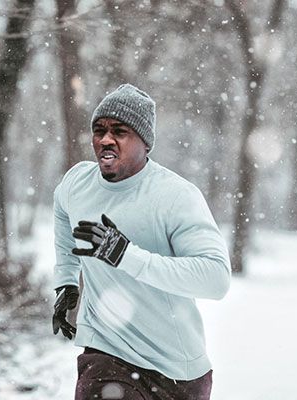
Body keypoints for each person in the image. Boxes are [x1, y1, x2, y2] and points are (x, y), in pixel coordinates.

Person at [52, 83, 231, 400]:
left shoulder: (174, 196)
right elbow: (64, 215)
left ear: (145, 142)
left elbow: (215, 279)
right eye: (99, 130)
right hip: (106, 352)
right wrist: (67, 280)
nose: (106, 139)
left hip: (176, 371)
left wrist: (126, 255)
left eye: (119, 131)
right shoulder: (76, 182)